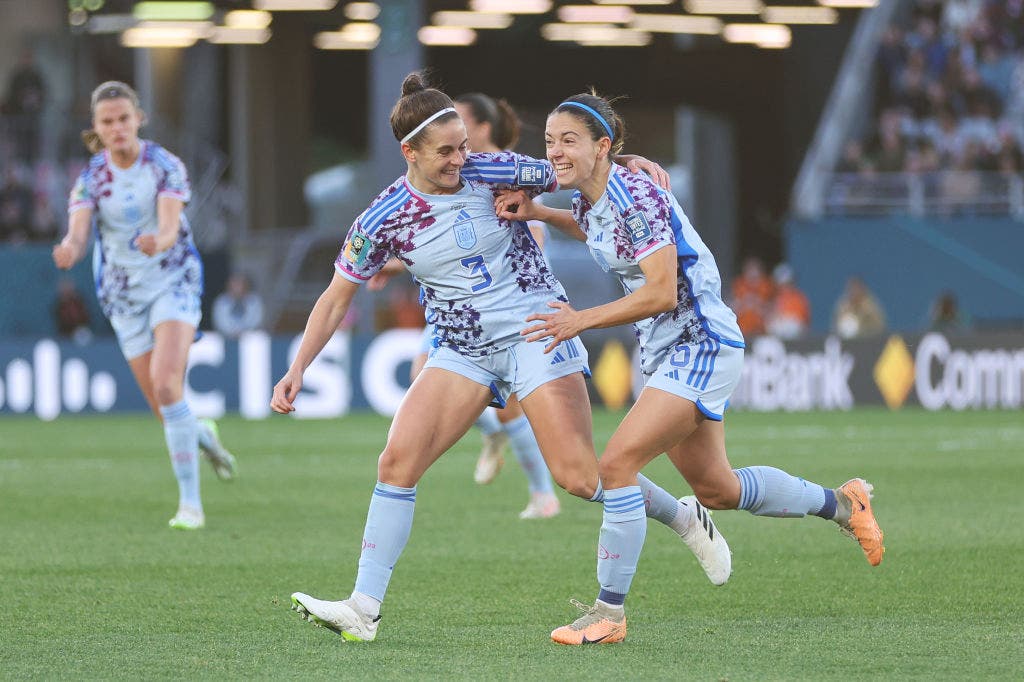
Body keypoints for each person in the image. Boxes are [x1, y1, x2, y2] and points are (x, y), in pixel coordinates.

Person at [273, 73, 718, 644]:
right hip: (463, 349)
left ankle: (682, 515)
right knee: (396, 463)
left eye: (463, 145)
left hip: (537, 331)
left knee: (580, 478)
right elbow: (337, 296)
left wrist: (631, 161)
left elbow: (579, 169)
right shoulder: (383, 218)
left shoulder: (495, 169)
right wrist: (298, 367)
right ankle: (363, 608)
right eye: (446, 152)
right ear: (410, 153)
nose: (462, 159)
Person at [496, 91, 885, 646]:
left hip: (700, 343)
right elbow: (598, 233)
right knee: (718, 490)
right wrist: (538, 212)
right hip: (667, 352)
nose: (554, 151)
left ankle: (608, 614)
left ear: (603, 146)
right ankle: (843, 503)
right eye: (550, 141)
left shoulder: (636, 194)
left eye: (569, 140)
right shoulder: (592, 198)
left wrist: (579, 320)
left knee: (617, 463)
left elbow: (659, 292)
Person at [52, 81, 236, 530]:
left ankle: (190, 506)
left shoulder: (164, 166)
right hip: (122, 294)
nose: (117, 128)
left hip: (172, 279)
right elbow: (78, 231)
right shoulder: (91, 178)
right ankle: (202, 433)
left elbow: (171, 226)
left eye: (123, 118)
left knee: (167, 385)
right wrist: (70, 247)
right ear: (96, 128)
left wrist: (160, 240)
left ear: (138, 119)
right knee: (163, 407)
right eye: (107, 122)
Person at [730, 256, 773, 338]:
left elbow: (772, 308)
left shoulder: (765, 285)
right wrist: (745, 302)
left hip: (761, 330)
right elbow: (733, 307)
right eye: (750, 270)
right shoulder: (739, 284)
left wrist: (757, 303)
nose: (752, 273)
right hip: (741, 331)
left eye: (755, 270)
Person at [765, 263, 811, 340]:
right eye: (782, 284)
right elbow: (769, 322)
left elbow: (803, 323)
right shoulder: (775, 299)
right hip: (778, 340)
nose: (785, 287)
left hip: (797, 339)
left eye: (787, 283)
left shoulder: (799, 299)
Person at [212, 272, 264, 338]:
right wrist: (233, 332)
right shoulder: (221, 302)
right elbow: (221, 323)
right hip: (226, 338)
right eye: (234, 284)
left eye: (239, 284)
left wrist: (244, 333)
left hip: (250, 338)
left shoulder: (254, 301)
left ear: (246, 286)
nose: (236, 287)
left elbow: (256, 321)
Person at [54, 277, 91, 342]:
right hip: (64, 335)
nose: (66, 291)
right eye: (64, 289)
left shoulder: (79, 303)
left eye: (68, 289)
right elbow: (62, 323)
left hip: (81, 333)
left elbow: (85, 318)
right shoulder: (59, 306)